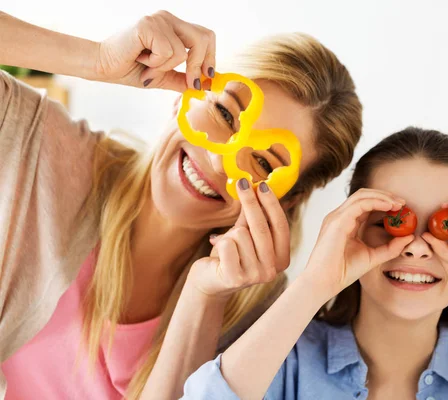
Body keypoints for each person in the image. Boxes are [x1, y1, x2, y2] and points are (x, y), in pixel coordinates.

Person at [0, 10, 362, 399]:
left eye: (261, 162)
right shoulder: (45, 154)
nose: (220, 159)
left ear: (286, 199)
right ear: (185, 98)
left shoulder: (259, 310)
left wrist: (204, 295)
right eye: (224, 113)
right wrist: (98, 60)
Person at [184, 127, 448, 399]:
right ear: (350, 232)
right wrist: (314, 283)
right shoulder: (281, 356)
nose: (417, 248)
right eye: (389, 224)